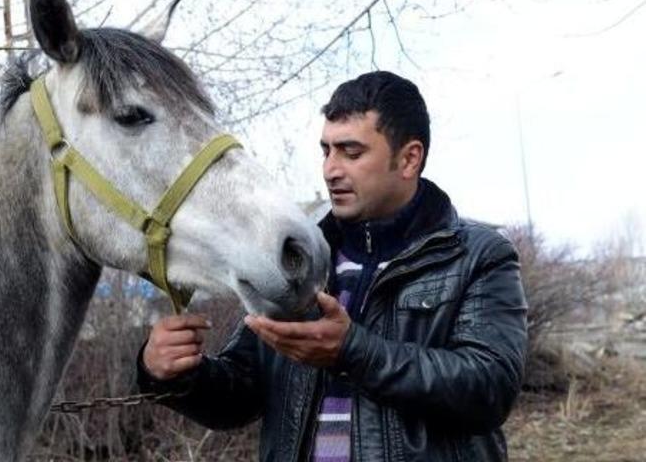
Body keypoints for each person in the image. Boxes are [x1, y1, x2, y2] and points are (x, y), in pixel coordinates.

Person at [137, 71, 528, 461]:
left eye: (351, 153)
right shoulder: (303, 262)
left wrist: (351, 351)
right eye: (326, 151)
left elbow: (489, 387)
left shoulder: (476, 254)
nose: (331, 170)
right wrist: (174, 372)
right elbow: (240, 395)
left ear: (409, 159)